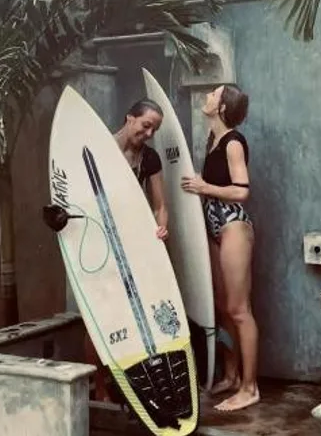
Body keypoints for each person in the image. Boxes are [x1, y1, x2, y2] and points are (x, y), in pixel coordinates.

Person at [181, 83, 259, 412]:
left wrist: (204, 186)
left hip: (232, 226)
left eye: (214, 94)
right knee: (223, 308)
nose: (208, 96)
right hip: (215, 227)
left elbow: (242, 191)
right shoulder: (213, 140)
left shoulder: (233, 142)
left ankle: (250, 388)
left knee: (239, 310)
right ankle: (231, 375)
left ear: (223, 107)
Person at [86, 98, 170, 402]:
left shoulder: (150, 158)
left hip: (135, 244)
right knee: (100, 314)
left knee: (133, 314)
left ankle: (129, 381)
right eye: (146, 126)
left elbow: (160, 206)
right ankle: (101, 386)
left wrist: (161, 228)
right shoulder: (99, 149)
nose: (149, 134)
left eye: (154, 130)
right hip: (101, 243)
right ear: (129, 118)